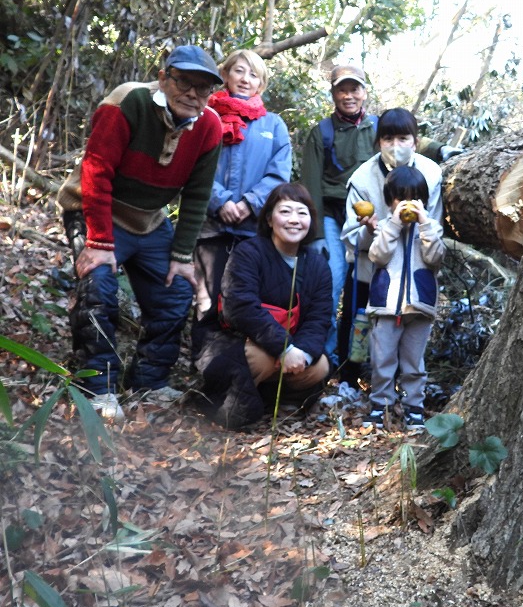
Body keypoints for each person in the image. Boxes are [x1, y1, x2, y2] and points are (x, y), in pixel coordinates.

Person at [57, 44, 224, 422]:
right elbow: (96, 171)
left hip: (148, 219)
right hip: (93, 208)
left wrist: (182, 256)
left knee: (175, 291)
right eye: (183, 82)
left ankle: (149, 381)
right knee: (98, 287)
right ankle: (96, 387)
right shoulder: (127, 102)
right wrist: (99, 242)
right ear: (164, 78)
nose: (192, 94)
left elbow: (197, 195)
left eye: (203, 88)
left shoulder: (210, 127)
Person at [300, 65, 459, 366]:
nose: (395, 146)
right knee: (351, 300)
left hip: (412, 256)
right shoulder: (335, 146)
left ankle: (400, 376)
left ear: (364, 92)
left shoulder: (422, 167)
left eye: (355, 89)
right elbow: (312, 185)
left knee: (407, 320)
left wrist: (443, 150)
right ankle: (340, 364)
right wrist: (320, 232)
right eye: (342, 89)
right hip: (348, 226)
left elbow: (411, 136)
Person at [194, 183, 332, 429]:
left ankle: (282, 401)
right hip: (232, 342)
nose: (294, 220)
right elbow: (240, 307)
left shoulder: (317, 264)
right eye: (285, 211)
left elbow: (319, 318)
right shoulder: (248, 252)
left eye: (302, 213)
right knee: (262, 359)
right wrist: (284, 347)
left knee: (319, 366)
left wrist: (301, 352)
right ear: (269, 219)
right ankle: (229, 403)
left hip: (287, 346)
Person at [192, 49, 292, 357]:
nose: (245, 79)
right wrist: (221, 202)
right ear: (225, 74)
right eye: (239, 71)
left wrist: (249, 204)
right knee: (207, 301)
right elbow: (194, 165)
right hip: (212, 227)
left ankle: (239, 365)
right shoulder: (206, 117)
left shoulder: (273, 125)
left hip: (253, 230)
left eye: (253, 75)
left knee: (246, 300)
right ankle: (204, 364)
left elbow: (279, 174)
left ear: (261, 84)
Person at [340, 108, 444, 388]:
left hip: (414, 269)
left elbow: (434, 224)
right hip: (370, 267)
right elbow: (350, 236)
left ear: (415, 141)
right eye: (388, 139)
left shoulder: (431, 173)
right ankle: (350, 382)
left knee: (408, 336)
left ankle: (402, 391)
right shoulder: (362, 178)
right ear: (378, 142)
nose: (395, 146)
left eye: (403, 138)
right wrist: (370, 230)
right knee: (357, 324)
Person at [363, 166, 446, 429]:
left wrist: (425, 225)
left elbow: (435, 258)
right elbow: (378, 256)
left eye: (415, 198)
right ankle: (381, 404)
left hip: (419, 306)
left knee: (414, 363)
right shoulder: (384, 227)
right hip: (386, 305)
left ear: (424, 202)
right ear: (390, 201)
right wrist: (394, 225)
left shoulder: (431, 228)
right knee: (382, 360)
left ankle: (414, 406)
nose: (408, 204)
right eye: (401, 198)